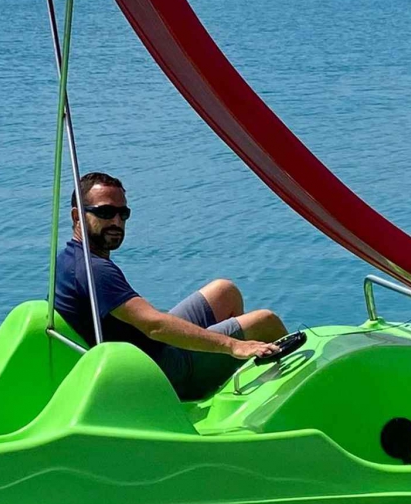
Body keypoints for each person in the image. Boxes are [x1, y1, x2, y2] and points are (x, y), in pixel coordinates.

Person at [53, 171, 287, 400]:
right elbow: (154, 326)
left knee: (225, 291)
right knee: (265, 322)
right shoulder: (94, 270)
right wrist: (233, 345)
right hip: (158, 373)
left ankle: (229, 371)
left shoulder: (70, 259)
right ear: (77, 216)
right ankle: (285, 400)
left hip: (150, 349)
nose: (116, 221)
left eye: (123, 213)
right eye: (105, 212)